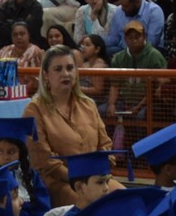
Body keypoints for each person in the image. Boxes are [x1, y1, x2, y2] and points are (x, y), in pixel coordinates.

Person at [25, 43, 114, 204]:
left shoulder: (88, 104)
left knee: (124, 197)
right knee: (88, 205)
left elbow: (105, 144)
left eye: (70, 68)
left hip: (96, 179)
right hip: (59, 183)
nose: (65, 74)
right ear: (46, 75)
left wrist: (98, 176)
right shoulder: (34, 110)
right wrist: (81, 180)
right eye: (58, 69)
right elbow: (45, 161)